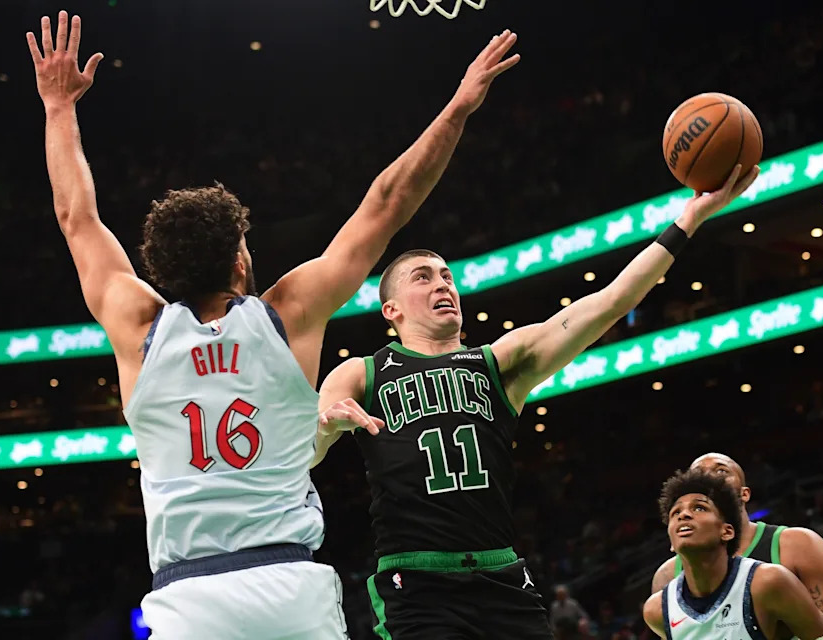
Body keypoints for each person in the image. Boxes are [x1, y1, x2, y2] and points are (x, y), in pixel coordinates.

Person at [25, 11, 520, 639]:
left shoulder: (137, 328)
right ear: (240, 260)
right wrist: (458, 109)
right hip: (289, 586)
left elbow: (76, 217)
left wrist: (58, 107)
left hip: (189, 598)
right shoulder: (286, 317)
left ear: (166, 269)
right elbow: (388, 202)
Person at [314, 141, 759, 636]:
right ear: (392, 310)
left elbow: (610, 302)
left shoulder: (499, 363)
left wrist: (689, 220)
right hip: (415, 579)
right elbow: (306, 454)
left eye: (447, 276)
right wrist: (327, 427)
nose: (443, 285)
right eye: (424, 278)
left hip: (500, 573)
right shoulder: (363, 373)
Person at [651, 453, 823, 640]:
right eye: (699, 474)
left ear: (745, 494)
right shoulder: (667, 579)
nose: (709, 477)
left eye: (721, 471)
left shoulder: (798, 545)